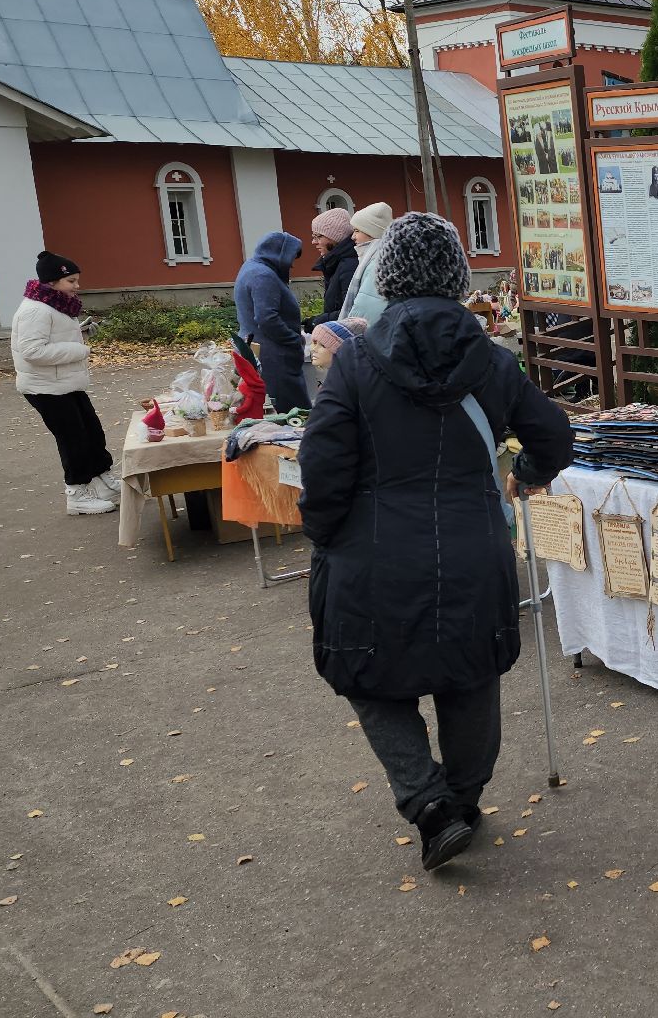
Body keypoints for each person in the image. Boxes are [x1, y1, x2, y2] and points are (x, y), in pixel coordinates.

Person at [299, 212, 576, 871]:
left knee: (365, 674)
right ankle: (459, 799)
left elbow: (323, 463)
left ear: (387, 277)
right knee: (469, 673)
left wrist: (327, 533)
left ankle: (429, 803)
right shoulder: (492, 360)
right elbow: (555, 438)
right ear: (456, 277)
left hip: (371, 551)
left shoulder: (355, 362)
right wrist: (528, 477)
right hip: (473, 548)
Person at [12, 251, 116, 515]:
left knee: (92, 432)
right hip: (44, 387)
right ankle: (77, 494)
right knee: (73, 440)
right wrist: (79, 350)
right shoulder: (35, 310)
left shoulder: (54, 304)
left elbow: (52, 337)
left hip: (64, 382)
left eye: (77, 279)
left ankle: (104, 483)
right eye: (71, 280)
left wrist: (79, 332)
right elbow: (32, 352)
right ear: (52, 281)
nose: (77, 286)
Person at [233, 232, 309, 413]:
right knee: (295, 413)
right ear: (279, 254)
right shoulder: (263, 276)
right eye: (291, 257)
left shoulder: (251, 267)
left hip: (258, 349)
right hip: (274, 355)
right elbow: (267, 319)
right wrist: (293, 340)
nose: (292, 264)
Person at [341, 202, 395, 325]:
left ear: (372, 232)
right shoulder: (379, 257)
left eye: (357, 231)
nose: (353, 237)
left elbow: (366, 309)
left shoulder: (379, 262)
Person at [309, 208, 359, 326]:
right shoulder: (336, 263)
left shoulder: (349, 265)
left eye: (318, 236)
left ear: (335, 236)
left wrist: (318, 321)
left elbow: (351, 311)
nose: (313, 242)